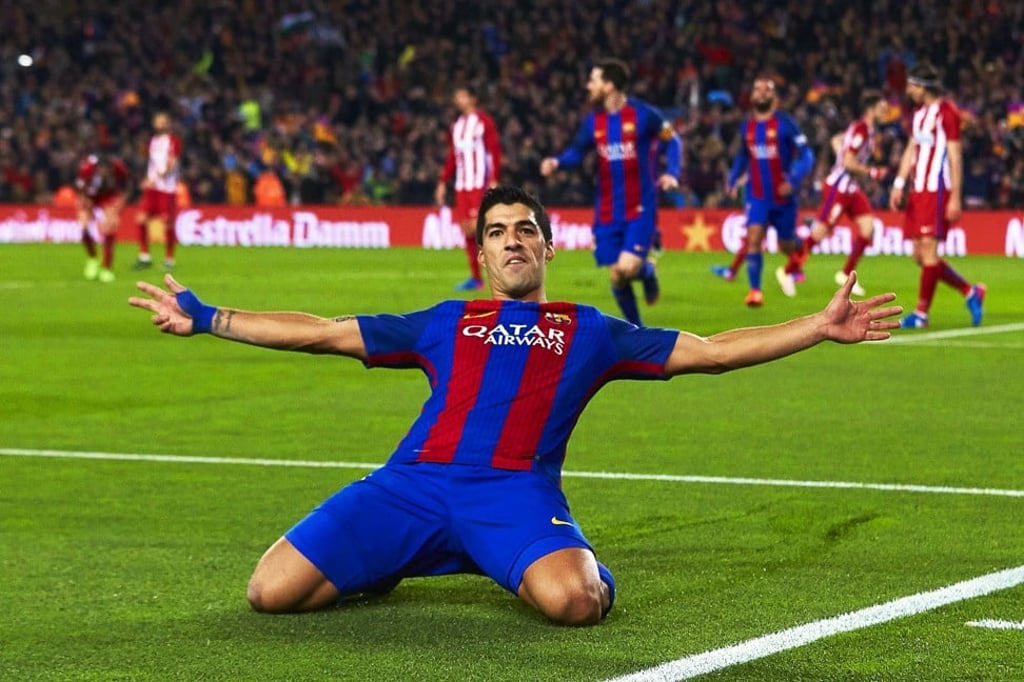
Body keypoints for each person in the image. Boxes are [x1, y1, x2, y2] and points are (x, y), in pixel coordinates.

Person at [129, 186, 901, 627]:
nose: (512, 241)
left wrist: (818, 327)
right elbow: (326, 334)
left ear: (546, 247)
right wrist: (210, 318)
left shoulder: (590, 331)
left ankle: (565, 557)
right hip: (414, 482)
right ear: (482, 252)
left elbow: (715, 350)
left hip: (514, 492)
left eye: (525, 229)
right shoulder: (447, 320)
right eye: (497, 232)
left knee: (577, 605)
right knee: (270, 594)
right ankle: (394, 559)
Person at [540, 58, 681, 326]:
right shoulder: (594, 122)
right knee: (617, 275)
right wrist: (557, 161)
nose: (588, 85)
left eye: (593, 80)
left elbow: (672, 140)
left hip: (640, 207)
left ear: (609, 85)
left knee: (628, 268)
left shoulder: (644, 115)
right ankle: (638, 328)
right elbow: (578, 151)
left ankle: (647, 272)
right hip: (607, 209)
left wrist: (672, 172)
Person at [888, 63, 985, 328]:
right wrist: (898, 183)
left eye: (911, 85)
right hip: (917, 190)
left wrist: (955, 196)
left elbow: (954, 155)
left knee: (929, 252)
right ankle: (970, 290)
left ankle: (921, 314)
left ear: (922, 87)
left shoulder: (947, 113)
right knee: (920, 256)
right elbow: (912, 149)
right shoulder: (919, 114)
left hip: (937, 189)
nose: (908, 90)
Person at [779, 90, 891, 298]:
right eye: (881, 106)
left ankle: (846, 273)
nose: (885, 110)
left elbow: (836, 140)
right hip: (838, 188)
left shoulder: (862, 129)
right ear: (871, 109)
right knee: (819, 233)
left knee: (868, 228)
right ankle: (788, 271)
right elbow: (848, 162)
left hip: (850, 189)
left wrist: (842, 150)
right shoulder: (862, 130)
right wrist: (871, 171)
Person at [714, 76, 814, 307]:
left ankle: (799, 252)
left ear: (773, 97)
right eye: (756, 89)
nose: (760, 93)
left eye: (766, 90)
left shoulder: (786, 124)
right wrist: (732, 178)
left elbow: (807, 155)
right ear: (751, 96)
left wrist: (795, 179)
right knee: (754, 238)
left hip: (784, 195)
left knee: (786, 244)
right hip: (757, 195)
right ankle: (755, 291)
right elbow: (742, 155)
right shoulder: (747, 125)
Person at [435, 85, 502, 291]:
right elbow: (452, 157)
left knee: (481, 229)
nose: (459, 100)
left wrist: (494, 178)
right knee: (467, 231)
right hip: (462, 186)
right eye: (458, 96)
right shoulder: (457, 126)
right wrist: (442, 181)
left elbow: (495, 151)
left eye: (463, 96)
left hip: (478, 184)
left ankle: (498, 275)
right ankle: (476, 278)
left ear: (473, 98)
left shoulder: (483, 122)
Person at [134, 111, 183, 272]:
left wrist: (155, 178)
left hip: (167, 188)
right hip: (152, 189)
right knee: (141, 219)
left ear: (168, 124)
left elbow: (172, 163)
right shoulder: (153, 141)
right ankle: (144, 256)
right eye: (157, 121)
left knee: (167, 223)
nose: (159, 124)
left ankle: (169, 258)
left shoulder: (173, 141)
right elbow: (151, 163)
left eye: (163, 121)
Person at [75, 153, 130, 283]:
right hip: (90, 197)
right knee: (83, 226)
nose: (104, 173)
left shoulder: (118, 168)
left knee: (110, 227)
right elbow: (80, 190)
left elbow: (127, 186)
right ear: (97, 169)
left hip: (109, 196)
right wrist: (88, 206)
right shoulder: (87, 169)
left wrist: (120, 204)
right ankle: (92, 258)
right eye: (101, 171)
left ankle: (106, 268)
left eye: (107, 171)